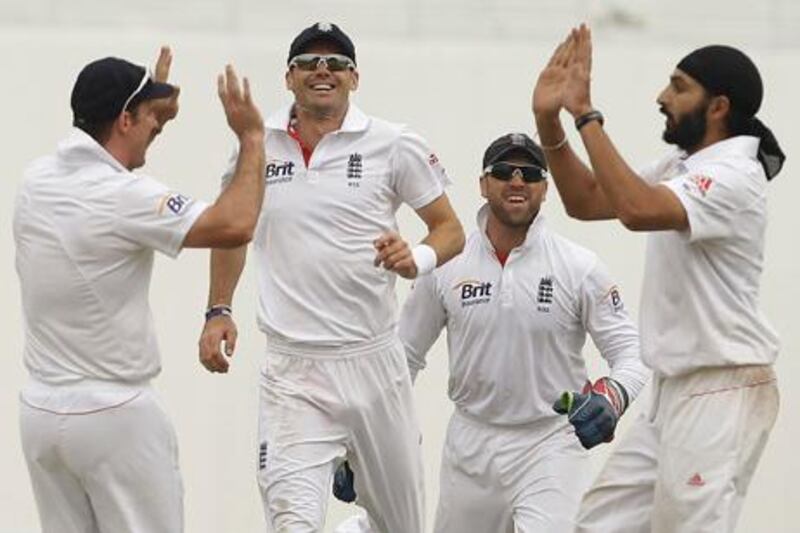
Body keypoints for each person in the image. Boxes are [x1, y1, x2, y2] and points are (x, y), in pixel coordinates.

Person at [198, 22, 465, 532]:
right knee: (292, 523)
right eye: (310, 63)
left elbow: (449, 229)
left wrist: (418, 259)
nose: (324, 70)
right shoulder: (257, 147)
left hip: (373, 364)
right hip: (293, 372)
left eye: (337, 63)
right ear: (290, 77)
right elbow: (233, 230)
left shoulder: (393, 143)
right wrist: (219, 310)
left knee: (401, 525)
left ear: (354, 79)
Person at [532, 25, 784, 532]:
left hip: (720, 389)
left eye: (678, 86)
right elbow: (586, 201)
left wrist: (585, 113)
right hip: (673, 391)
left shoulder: (735, 176)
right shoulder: (684, 162)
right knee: (597, 526)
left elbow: (636, 209)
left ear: (717, 107)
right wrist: (549, 121)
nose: (662, 97)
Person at [334, 132, 648, 533]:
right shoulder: (447, 265)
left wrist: (613, 395)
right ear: (483, 184)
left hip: (550, 442)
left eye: (530, 173)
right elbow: (402, 359)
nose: (517, 181)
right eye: (503, 171)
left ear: (545, 189)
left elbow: (633, 353)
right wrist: (359, 443)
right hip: (471, 445)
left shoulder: (579, 266)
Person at [14, 47, 265, 533]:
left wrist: (155, 117)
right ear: (124, 119)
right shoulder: (124, 196)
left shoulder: (37, 179)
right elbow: (234, 225)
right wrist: (251, 137)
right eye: (148, 115)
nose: (156, 123)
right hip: (114, 417)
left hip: (42, 416)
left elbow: (113, 183)